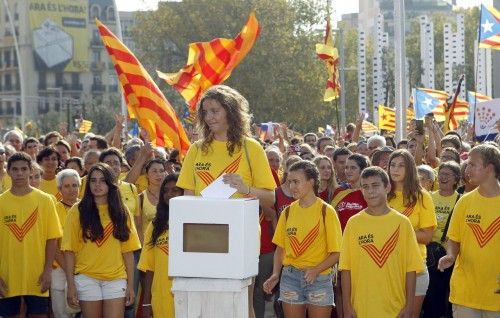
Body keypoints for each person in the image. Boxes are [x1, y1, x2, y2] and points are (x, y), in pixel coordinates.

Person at [177, 85, 276, 318]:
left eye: (215, 111)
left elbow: (271, 197)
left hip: (241, 239)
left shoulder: (251, 148)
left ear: (231, 112)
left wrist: (246, 188)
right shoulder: (196, 150)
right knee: (203, 306)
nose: (209, 117)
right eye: (205, 112)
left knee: (242, 305)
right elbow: (187, 199)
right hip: (201, 239)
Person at [339, 167, 423, 318]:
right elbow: (346, 269)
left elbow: (411, 269)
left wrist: (409, 306)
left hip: (395, 309)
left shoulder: (402, 223)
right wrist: (347, 306)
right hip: (361, 308)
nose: (370, 191)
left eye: (375, 185)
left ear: (387, 187)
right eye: (365, 187)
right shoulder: (353, 223)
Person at [263, 160, 342, 318]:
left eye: (296, 182)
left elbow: (337, 253)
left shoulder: (327, 211)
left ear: (311, 182)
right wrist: (275, 274)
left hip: (319, 278)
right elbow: (281, 249)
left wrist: (316, 270)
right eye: (289, 182)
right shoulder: (288, 212)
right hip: (290, 277)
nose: (291, 186)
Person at [62, 163, 141, 317]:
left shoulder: (121, 210)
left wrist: (131, 286)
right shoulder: (77, 211)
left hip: (116, 278)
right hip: (86, 277)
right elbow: (69, 251)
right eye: (93, 180)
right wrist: (71, 285)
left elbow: (128, 252)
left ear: (110, 183)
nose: (97, 185)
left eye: (102, 180)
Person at [438, 144, 500, 316]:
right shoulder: (464, 202)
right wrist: (451, 255)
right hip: (465, 294)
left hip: (496, 296)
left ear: (489, 168)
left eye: (472, 164)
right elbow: (454, 238)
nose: (467, 168)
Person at [0, 152, 62, 317]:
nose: (19, 173)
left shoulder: (46, 200)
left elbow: (52, 238)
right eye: (15, 169)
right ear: (8, 171)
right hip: (7, 276)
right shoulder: (1, 202)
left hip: (37, 276)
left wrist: (48, 270)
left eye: (23, 169)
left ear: (30, 171)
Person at [387, 149, 437, 317]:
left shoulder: (422, 196)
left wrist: (396, 231)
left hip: (415, 268)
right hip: (385, 266)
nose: (395, 169)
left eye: (401, 165)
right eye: (392, 165)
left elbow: (427, 237)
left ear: (410, 169)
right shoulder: (382, 195)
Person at [138, 174, 182, 317]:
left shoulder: (194, 222)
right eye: (165, 190)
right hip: (161, 296)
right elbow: (148, 268)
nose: (169, 194)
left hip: (187, 294)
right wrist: (146, 302)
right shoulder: (155, 225)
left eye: (175, 190)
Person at [422, 161, 461, 318]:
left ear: (456, 179)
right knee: (432, 295)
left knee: (449, 293)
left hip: (452, 254)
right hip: (430, 253)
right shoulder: (428, 197)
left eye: (447, 174)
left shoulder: (461, 200)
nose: (443, 177)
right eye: (441, 174)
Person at [51, 169, 81, 318]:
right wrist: (70, 269)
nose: (71, 190)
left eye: (75, 185)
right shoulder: (53, 209)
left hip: (85, 269)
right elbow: (53, 246)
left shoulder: (87, 208)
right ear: (59, 189)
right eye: (67, 186)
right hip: (60, 269)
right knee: (61, 314)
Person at [331, 154, 370, 231]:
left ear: (362, 170)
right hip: (342, 239)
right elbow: (332, 218)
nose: (348, 171)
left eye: (353, 168)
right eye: (346, 167)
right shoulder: (339, 191)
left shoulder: (368, 192)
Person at [136, 159, 168, 240]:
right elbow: (138, 227)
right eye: (154, 171)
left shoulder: (171, 197)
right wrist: (144, 249)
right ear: (146, 175)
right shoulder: (140, 198)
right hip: (148, 246)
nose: (159, 174)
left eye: (161, 171)